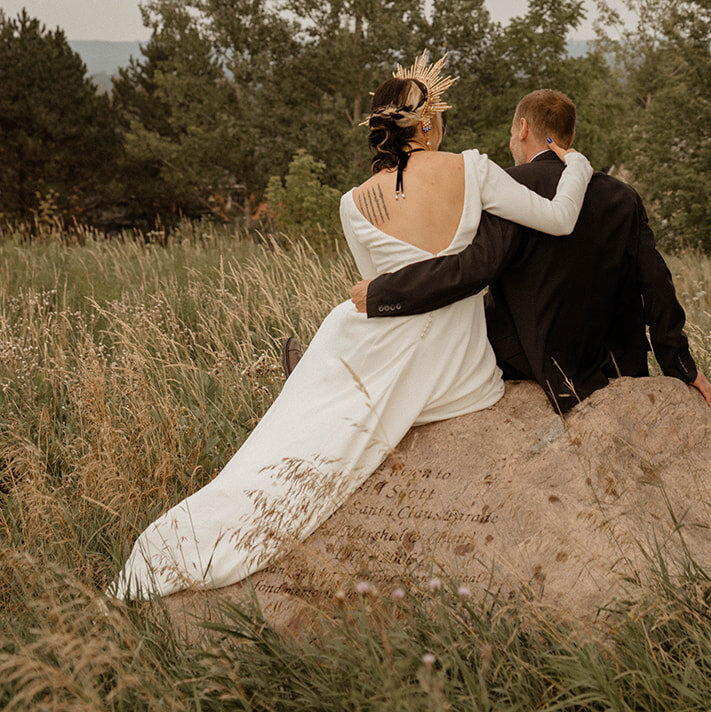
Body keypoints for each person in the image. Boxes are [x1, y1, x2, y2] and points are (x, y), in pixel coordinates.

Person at [110, 55, 594, 599]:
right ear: (429, 122)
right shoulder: (474, 168)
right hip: (459, 367)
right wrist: (575, 165)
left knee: (313, 400)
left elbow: (381, 292)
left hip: (377, 333)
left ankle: (290, 413)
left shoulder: (353, 204)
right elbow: (559, 220)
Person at [316, 88, 711, 415]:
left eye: (513, 132)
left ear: (523, 128)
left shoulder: (512, 187)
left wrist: (385, 292)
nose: (512, 139)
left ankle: (341, 380)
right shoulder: (622, 196)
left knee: (458, 323)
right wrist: (681, 368)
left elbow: (474, 269)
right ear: (569, 137)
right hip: (618, 361)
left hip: (533, 359)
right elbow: (656, 283)